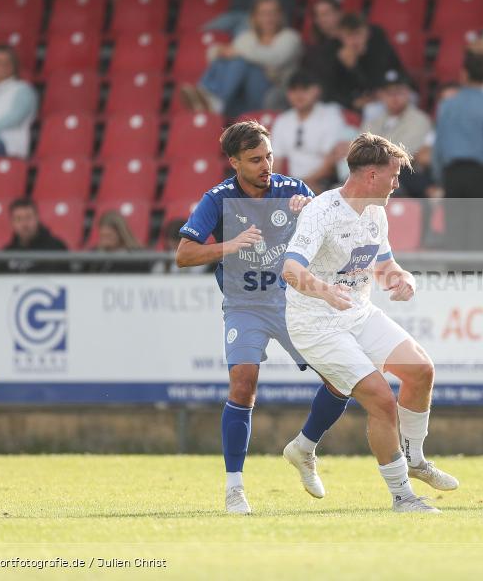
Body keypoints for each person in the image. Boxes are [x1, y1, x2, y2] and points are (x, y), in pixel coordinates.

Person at [175, 121, 351, 515]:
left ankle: (304, 448)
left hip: (294, 301)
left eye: (269, 155)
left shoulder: (294, 191)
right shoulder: (217, 199)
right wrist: (230, 245)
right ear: (234, 162)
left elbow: (333, 239)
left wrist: (311, 216)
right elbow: (183, 254)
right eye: (255, 159)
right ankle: (234, 488)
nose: (265, 164)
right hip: (245, 304)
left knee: (342, 379)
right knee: (243, 382)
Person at [281, 132, 459, 514]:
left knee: (421, 370)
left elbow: (383, 265)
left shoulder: (376, 211)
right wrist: (325, 291)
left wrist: (402, 278)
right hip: (316, 323)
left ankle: (414, 460)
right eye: (394, 176)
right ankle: (402, 496)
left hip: (357, 313)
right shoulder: (322, 211)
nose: (398, 184)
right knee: (381, 399)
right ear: (371, 175)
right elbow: (291, 269)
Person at [432, 51, 483, 251]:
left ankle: (457, 282)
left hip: (453, 176)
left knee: (455, 241)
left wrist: (441, 180)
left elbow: (439, 149)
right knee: (482, 243)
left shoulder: (447, 106)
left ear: (463, 74)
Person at [180, 0, 302, 116]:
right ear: (254, 17)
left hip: (270, 93)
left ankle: (212, 100)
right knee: (225, 59)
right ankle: (205, 95)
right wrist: (219, 51)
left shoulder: (290, 37)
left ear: (280, 15)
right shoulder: (248, 37)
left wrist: (238, 52)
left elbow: (274, 58)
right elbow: (217, 54)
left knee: (240, 60)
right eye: (263, 14)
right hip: (241, 97)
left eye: (273, 13)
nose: (268, 18)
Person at [361, 69, 438, 199]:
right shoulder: (374, 121)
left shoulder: (419, 119)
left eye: (399, 92)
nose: (394, 97)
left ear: (408, 93)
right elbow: (359, 154)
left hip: (403, 179)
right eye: (389, 93)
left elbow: (401, 155)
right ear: (381, 95)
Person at [270, 70, 348, 193]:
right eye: (293, 89)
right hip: (293, 185)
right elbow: (275, 163)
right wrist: (276, 188)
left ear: (317, 90)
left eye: (305, 88)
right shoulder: (282, 120)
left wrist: (300, 185)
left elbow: (331, 161)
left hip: (326, 184)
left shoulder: (330, 114)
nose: (299, 94)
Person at [320, 13, 404, 112]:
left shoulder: (379, 50)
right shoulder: (332, 51)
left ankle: (369, 128)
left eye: (358, 34)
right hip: (349, 102)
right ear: (340, 36)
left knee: (372, 111)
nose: (354, 40)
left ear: (367, 33)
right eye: (349, 35)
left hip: (380, 100)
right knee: (327, 110)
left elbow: (377, 85)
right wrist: (351, 102)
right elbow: (327, 90)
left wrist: (354, 68)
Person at [3, 197, 69, 273]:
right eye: (18, 219)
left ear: (37, 218)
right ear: (12, 223)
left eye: (28, 217)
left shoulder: (56, 248)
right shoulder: (6, 254)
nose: (24, 224)